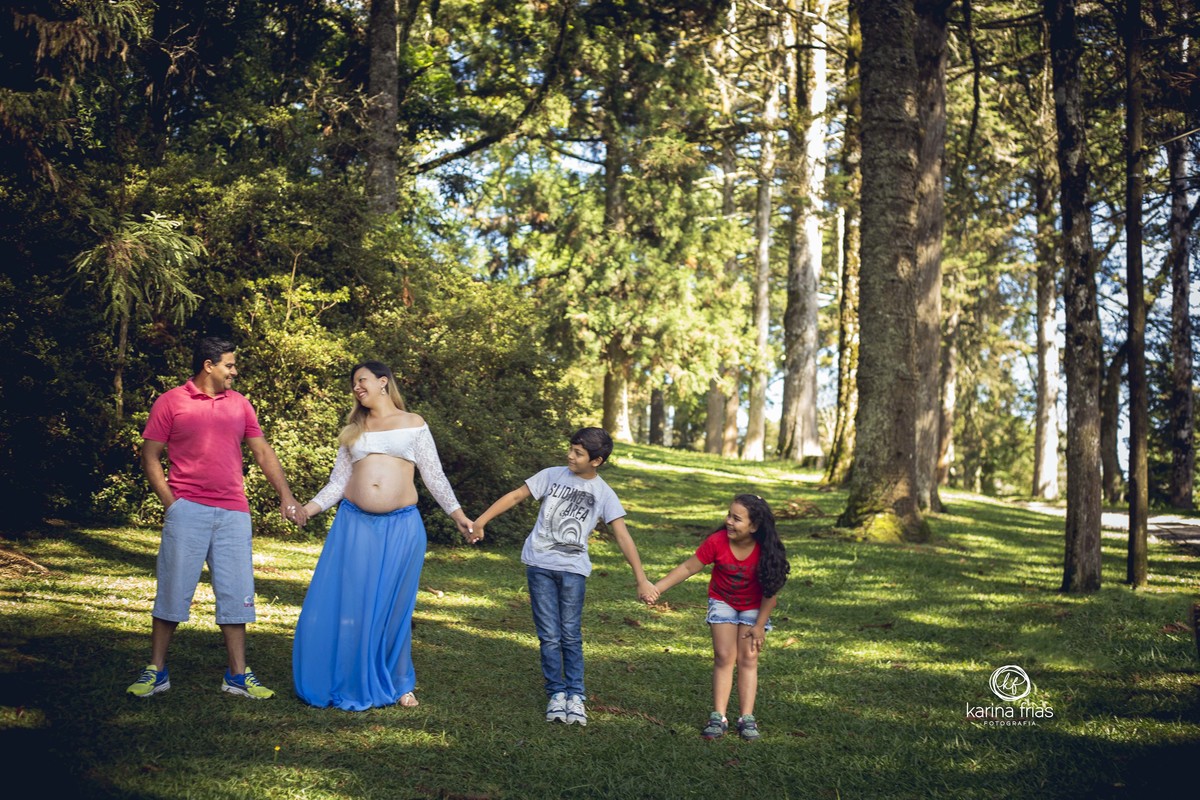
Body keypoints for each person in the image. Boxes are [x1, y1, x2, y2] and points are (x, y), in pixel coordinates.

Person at [128, 336, 303, 700]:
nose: (234, 372)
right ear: (209, 365)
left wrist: (286, 495)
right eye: (229, 365)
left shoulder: (240, 404)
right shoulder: (171, 401)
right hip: (186, 510)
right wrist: (171, 503)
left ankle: (237, 676)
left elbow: (262, 451)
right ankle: (157, 671)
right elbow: (150, 456)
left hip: (233, 513)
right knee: (173, 591)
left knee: (237, 594)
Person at [291, 361, 474, 711]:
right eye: (353, 384)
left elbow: (434, 477)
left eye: (362, 381)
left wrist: (458, 516)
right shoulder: (353, 430)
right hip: (354, 526)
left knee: (392, 608)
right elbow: (337, 483)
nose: (356, 388)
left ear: (383, 383)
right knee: (354, 604)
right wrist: (308, 509)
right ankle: (345, 678)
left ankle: (398, 682)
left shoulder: (413, 423)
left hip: (401, 527)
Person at [472, 427, 658, 726]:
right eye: (570, 449)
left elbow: (622, 535)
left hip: (573, 571)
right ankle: (556, 693)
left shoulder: (604, 493)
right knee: (549, 635)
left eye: (578, 453)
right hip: (539, 565)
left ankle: (576, 696)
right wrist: (481, 521)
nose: (570, 456)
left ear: (596, 461)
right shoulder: (551, 475)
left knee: (570, 635)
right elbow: (516, 496)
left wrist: (641, 578)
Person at [652, 494, 789, 741]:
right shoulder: (717, 542)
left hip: (754, 607)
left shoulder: (766, 552)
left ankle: (746, 718)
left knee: (748, 658)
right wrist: (657, 588)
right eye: (728, 515)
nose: (728, 522)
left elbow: (771, 593)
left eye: (736, 519)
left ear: (754, 526)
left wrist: (759, 626)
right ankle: (718, 716)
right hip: (723, 601)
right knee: (724, 656)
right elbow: (688, 567)